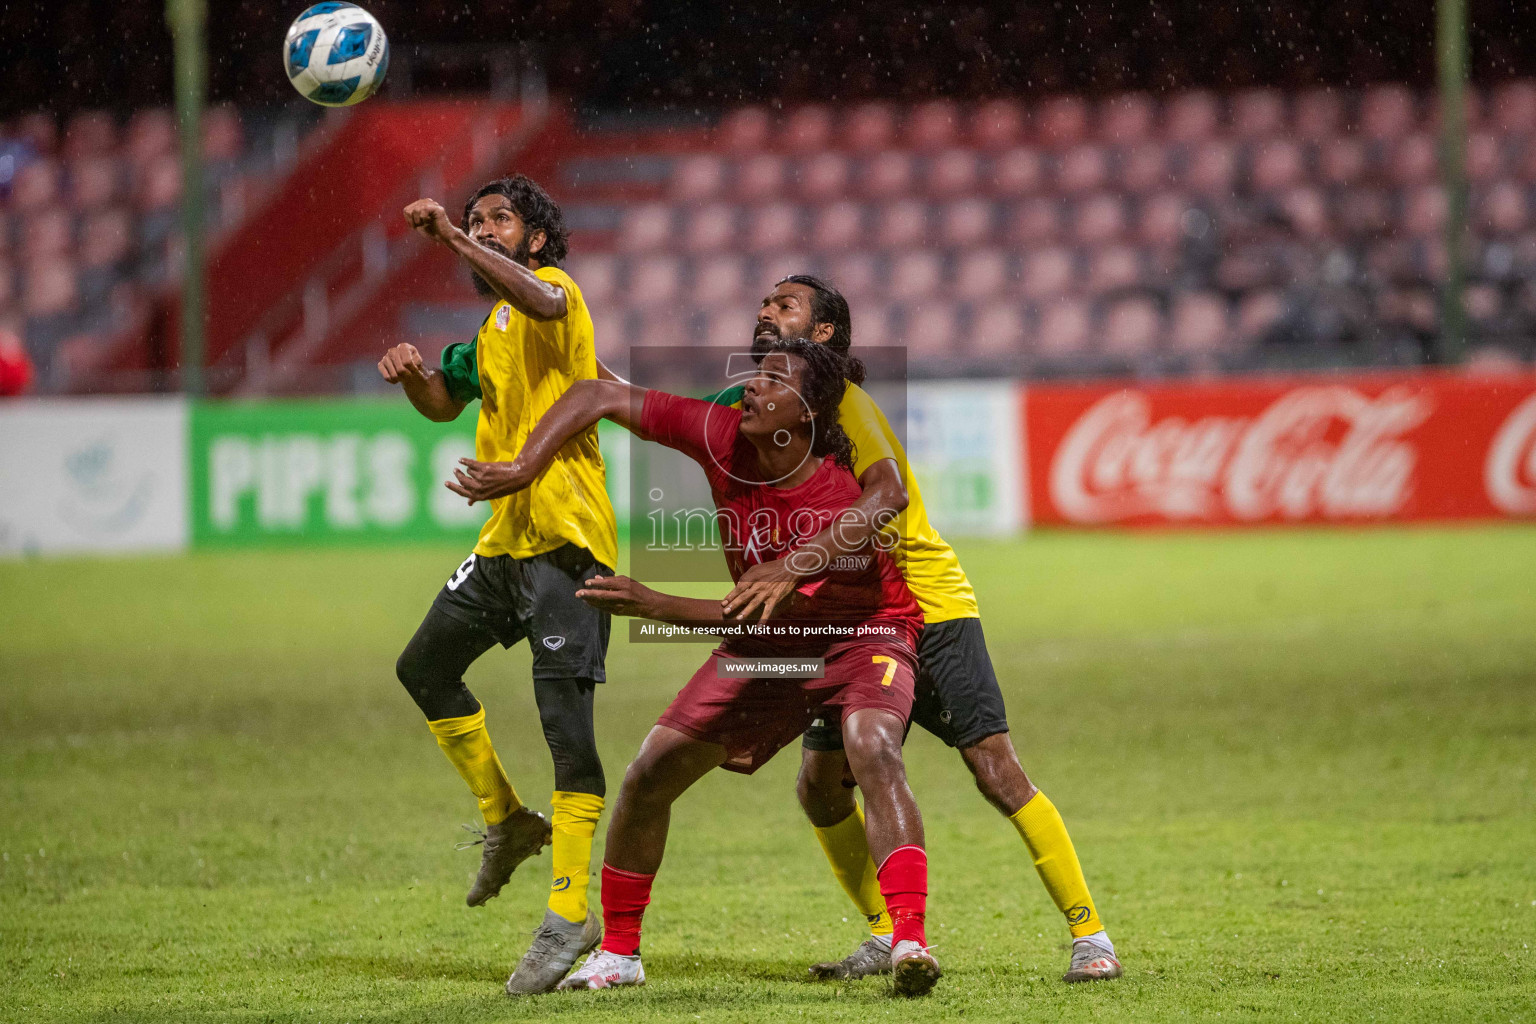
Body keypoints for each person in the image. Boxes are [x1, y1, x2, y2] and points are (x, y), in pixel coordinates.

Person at [446, 339, 943, 997]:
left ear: (806, 417)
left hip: (862, 635)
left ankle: (909, 939)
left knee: (871, 747)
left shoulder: (831, 498)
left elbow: (755, 615)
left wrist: (651, 602)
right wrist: (522, 466)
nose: (750, 387)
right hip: (773, 640)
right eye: (755, 373)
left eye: (772, 380)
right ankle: (620, 953)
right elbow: (599, 395)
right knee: (650, 773)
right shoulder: (721, 431)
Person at [706, 276, 1123, 984]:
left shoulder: (844, 403)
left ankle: (1092, 937)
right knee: (820, 785)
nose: (766, 311)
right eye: (765, 303)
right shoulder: (768, 416)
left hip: (928, 607)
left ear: (826, 333)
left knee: (994, 767)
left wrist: (791, 567)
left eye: (786, 305)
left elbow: (886, 498)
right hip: (857, 622)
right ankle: (883, 933)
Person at [377, 174, 617, 995]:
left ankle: (566, 914)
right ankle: (507, 819)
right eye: (475, 221)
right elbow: (444, 404)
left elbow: (546, 310)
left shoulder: (556, 293)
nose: (482, 231)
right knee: (424, 668)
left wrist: (448, 234)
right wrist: (412, 374)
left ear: (536, 239)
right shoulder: (488, 330)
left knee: (566, 730)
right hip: (504, 545)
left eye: (499, 221)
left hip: (568, 543)